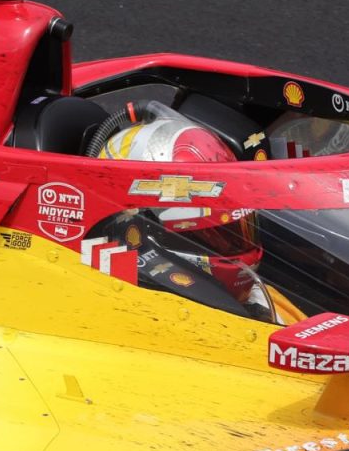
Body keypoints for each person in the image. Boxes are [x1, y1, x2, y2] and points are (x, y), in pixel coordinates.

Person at [96, 102, 273, 320]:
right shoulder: (126, 314)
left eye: (235, 230)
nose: (241, 250)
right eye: (213, 235)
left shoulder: (260, 299)